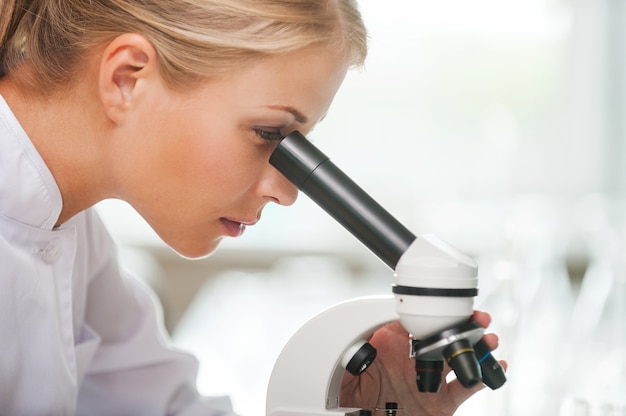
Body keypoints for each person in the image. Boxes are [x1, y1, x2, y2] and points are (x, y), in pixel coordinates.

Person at [0, 0, 504, 414]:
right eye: (269, 134)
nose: (287, 192)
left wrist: (347, 406)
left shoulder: (70, 228)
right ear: (127, 79)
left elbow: (166, 407)